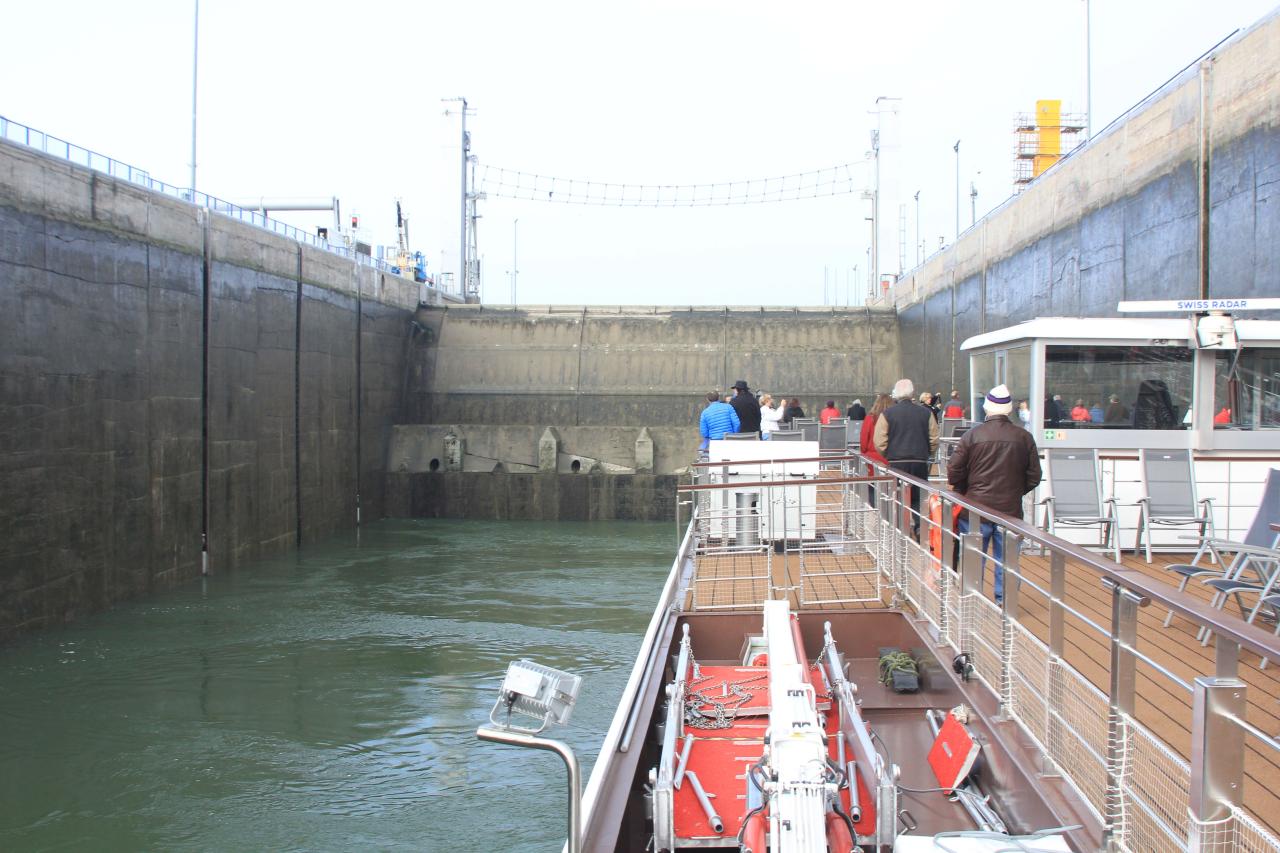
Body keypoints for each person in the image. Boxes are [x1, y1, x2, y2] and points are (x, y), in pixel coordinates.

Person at [946, 384, 1043, 603]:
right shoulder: (1024, 437)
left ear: (987, 408)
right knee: (1007, 561)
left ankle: (972, 599)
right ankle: (1004, 601)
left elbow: (954, 470)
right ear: (1009, 410)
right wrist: (1015, 491)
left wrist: (963, 490)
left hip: (975, 508)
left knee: (973, 557)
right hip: (1010, 510)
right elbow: (1034, 475)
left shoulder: (972, 436)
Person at [874, 379, 939, 539]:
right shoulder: (926, 413)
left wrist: (888, 454)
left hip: (896, 462)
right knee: (919, 498)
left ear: (896, 394)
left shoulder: (887, 414)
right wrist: (927, 453)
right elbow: (934, 439)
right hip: (919, 461)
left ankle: (897, 529)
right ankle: (919, 527)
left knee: (896, 496)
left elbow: (879, 441)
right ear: (912, 393)